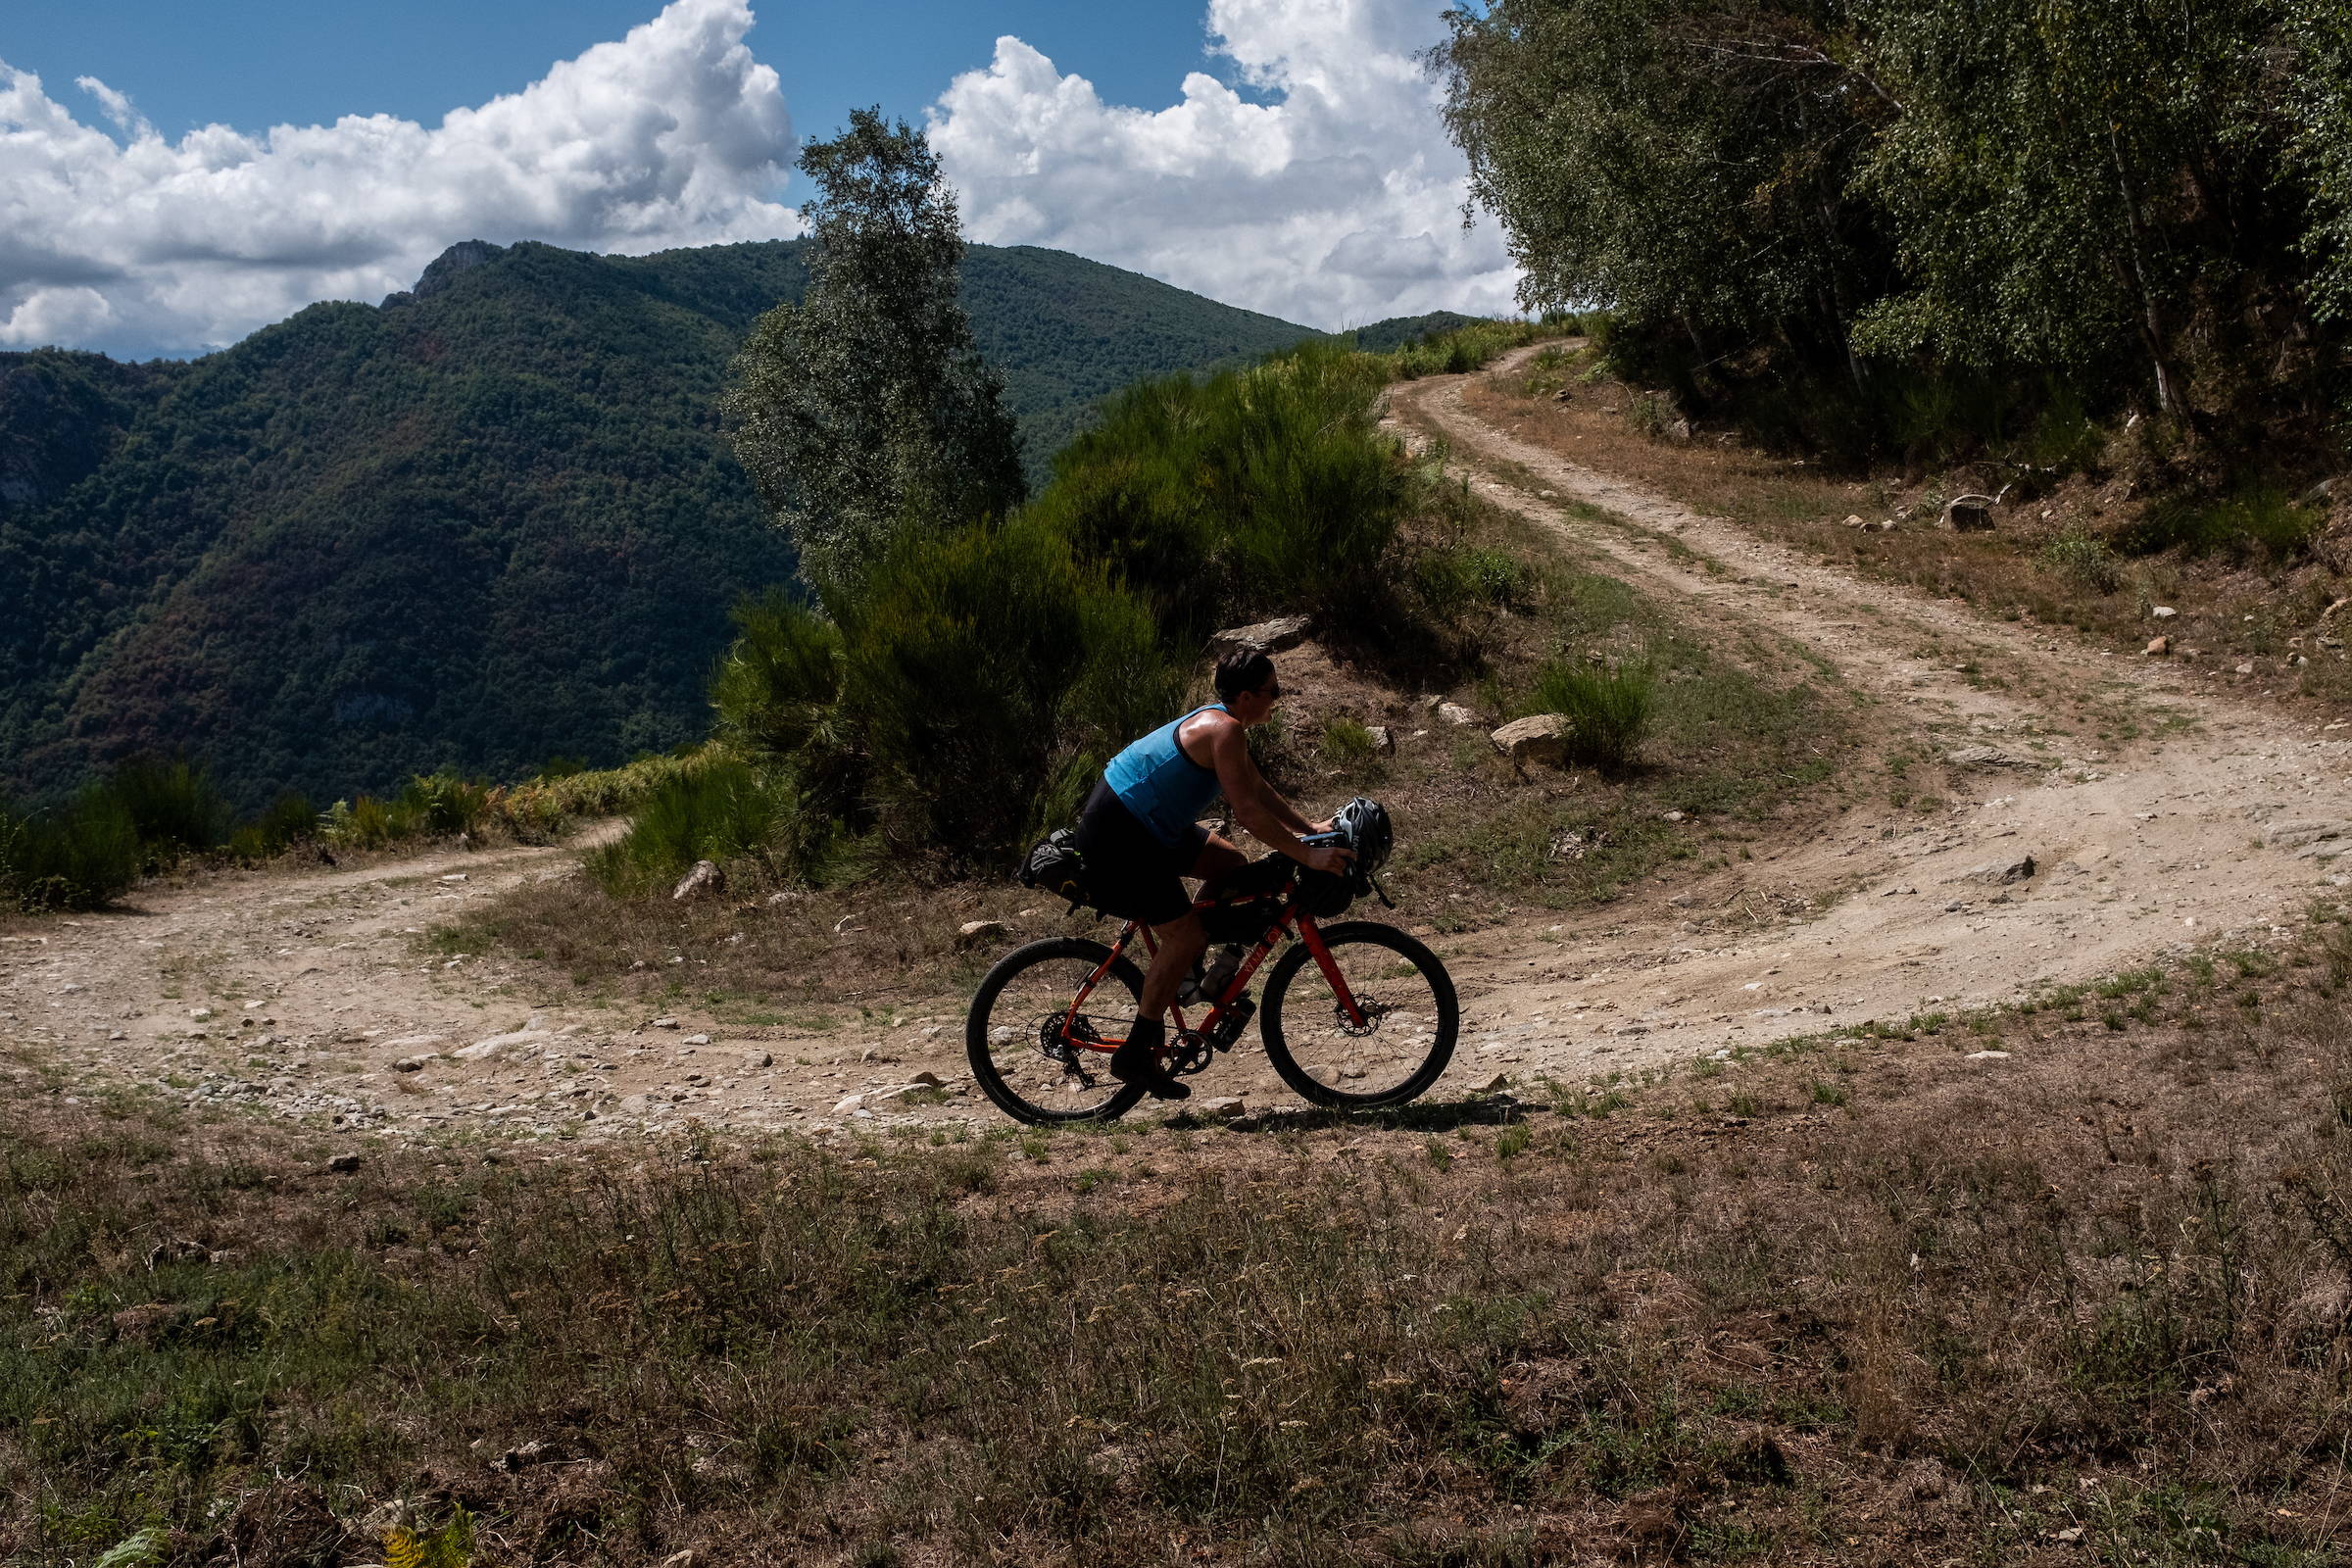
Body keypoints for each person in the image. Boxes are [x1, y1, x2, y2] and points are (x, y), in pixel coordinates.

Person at [1073, 649, 1352, 1099]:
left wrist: (1309, 829)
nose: (1277, 699)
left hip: (1150, 825)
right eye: (1272, 692)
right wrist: (1307, 856)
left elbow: (1257, 789)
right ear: (1245, 696)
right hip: (1121, 832)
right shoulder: (1225, 729)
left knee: (1231, 866)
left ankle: (1191, 977)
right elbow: (1246, 813)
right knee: (1185, 935)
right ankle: (1136, 1052)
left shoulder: (1226, 725)